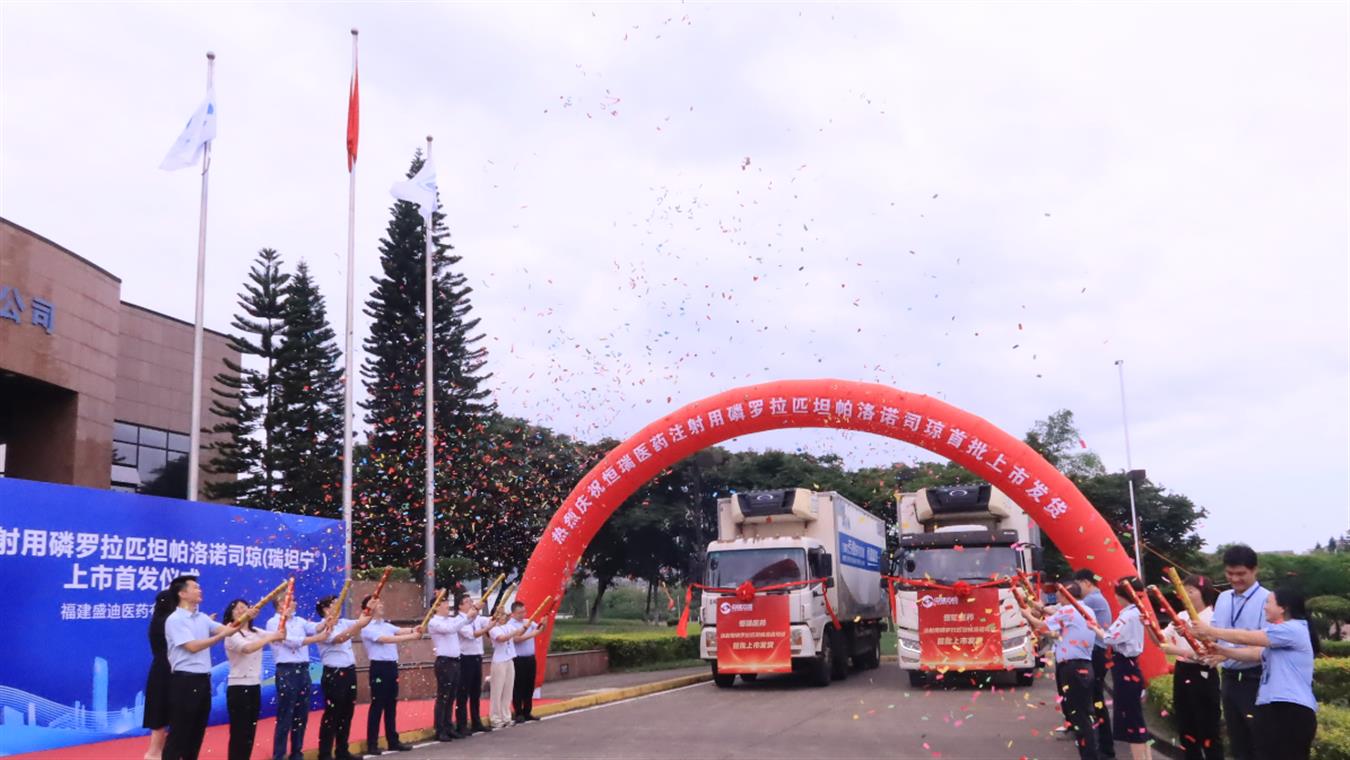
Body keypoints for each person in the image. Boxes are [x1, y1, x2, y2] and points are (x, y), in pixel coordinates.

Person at [1195, 586, 1320, 760]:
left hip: (1289, 710)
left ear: (1283, 608)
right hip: (1274, 707)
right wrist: (1222, 651)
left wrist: (1211, 631)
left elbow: (1246, 637)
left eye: (1268, 603)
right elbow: (1255, 654)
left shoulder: (1292, 629)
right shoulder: (1281, 636)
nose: (1265, 607)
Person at [1020, 579, 1101, 760]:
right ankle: (1090, 754)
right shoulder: (1087, 610)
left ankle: (1090, 756)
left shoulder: (1068, 610)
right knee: (1085, 714)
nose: (1057, 597)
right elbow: (1058, 629)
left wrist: (1027, 615)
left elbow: (1042, 626)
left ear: (1066, 594)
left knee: (1080, 717)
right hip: (1085, 666)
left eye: (1059, 594)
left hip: (1072, 668)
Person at [163, 575, 239, 760]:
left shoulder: (202, 618)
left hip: (203, 680)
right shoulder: (175, 619)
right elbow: (192, 646)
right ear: (182, 594)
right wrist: (220, 636)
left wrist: (245, 617)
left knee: (197, 731)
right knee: (180, 732)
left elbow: (226, 629)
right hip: (185, 681)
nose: (200, 590)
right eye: (195, 587)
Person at [1209, 544, 1270, 760]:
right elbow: (1214, 634)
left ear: (1255, 570)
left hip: (1255, 679)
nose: (1235, 579)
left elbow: (1264, 647)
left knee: (1259, 741)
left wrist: (1226, 652)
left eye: (1241, 574)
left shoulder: (1268, 600)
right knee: (1237, 742)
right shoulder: (1224, 597)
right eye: (1230, 573)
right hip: (1229, 678)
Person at [1158, 575, 1223, 760]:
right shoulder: (1181, 616)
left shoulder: (1214, 618)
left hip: (1203, 674)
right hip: (1182, 670)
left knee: (1208, 729)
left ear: (1204, 593)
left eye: (1190, 591)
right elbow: (1161, 640)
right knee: (1186, 726)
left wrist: (1183, 643)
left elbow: (1208, 652)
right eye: (1183, 591)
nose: (1185, 595)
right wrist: (1147, 623)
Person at [266, 595, 330, 760]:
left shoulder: (300, 621)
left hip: (303, 670)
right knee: (285, 714)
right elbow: (290, 642)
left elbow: (316, 627)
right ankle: (279, 754)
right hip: (286, 671)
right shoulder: (273, 623)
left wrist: (328, 618)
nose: (295, 602)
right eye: (291, 599)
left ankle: (296, 753)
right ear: (281, 603)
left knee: (301, 715)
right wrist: (316, 639)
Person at [360, 595, 424, 754]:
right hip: (378, 668)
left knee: (391, 705)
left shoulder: (386, 624)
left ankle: (393, 741)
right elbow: (386, 639)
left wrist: (415, 629)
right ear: (369, 607)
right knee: (377, 706)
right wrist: (411, 636)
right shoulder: (367, 627)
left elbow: (399, 630)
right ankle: (372, 744)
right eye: (377, 603)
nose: (381, 605)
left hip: (391, 667)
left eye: (381, 602)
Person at [223, 599, 285, 760]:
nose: (242, 610)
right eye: (237, 609)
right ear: (231, 614)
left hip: (254, 686)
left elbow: (279, 636)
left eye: (244, 607)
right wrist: (269, 638)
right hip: (238, 687)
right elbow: (247, 648)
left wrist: (284, 617)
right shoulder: (231, 632)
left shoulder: (256, 631)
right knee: (239, 731)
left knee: (250, 731)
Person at [314, 595, 373, 760]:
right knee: (332, 714)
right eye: (334, 604)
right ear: (325, 609)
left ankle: (342, 751)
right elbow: (340, 638)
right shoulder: (323, 627)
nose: (338, 607)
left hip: (349, 672)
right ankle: (324, 753)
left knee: (347, 713)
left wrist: (370, 606)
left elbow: (362, 621)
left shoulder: (344, 622)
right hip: (334, 674)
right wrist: (359, 624)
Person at [1103, 577, 1151, 760]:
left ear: (1121, 595)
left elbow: (1109, 637)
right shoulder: (1136, 612)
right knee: (1136, 717)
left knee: (1132, 720)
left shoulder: (1128, 615)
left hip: (1125, 666)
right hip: (1129, 665)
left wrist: (1095, 628)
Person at [1074, 569, 1116, 759]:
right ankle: (1102, 744)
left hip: (1097, 653)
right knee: (1094, 698)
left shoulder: (1092, 600)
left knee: (1095, 699)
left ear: (1087, 582)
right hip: (1098, 653)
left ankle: (1104, 746)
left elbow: (1070, 608)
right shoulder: (1095, 599)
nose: (1077, 589)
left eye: (1078, 584)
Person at [427, 593, 476, 742]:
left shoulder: (450, 620)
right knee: (443, 697)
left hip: (455, 661)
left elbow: (465, 622)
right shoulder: (434, 622)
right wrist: (466, 617)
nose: (447, 605)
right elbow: (450, 629)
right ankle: (440, 729)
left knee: (451, 696)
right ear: (436, 607)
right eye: (444, 603)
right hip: (444, 662)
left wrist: (473, 612)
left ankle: (448, 727)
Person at [142, 589, 177, 760]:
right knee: (160, 714)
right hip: (165, 671)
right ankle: (154, 753)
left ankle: (158, 752)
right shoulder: (166, 622)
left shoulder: (158, 620)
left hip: (163, 669)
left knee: (162, 714)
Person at [456, 596, 494, 734]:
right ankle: (461, 724)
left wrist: (498, 613)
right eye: (467, 602)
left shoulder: (477, 618)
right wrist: (487, 628)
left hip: (477, 657)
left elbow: (491, 620)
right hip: (465, 658)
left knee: (475, 692)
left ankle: (476, 721)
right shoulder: (459, 621)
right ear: (460, 606)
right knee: (463, 693)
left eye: (471, 601)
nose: (471, 604)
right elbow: (472, 635)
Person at [511, 602, 546, 723]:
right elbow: (516, 639)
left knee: (529, 686)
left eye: (524, 612)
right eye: (519, 613)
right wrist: (532, 634)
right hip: (518, 659)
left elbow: (539, 629)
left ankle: (527, 711)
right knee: (518, 686)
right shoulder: (511, 624)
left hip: (530, 658)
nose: (522, 614)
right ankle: (518, 712)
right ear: (513, 613)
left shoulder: (528, 621)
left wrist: (543, 623)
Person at [488, 609, 522, 729]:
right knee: (497, 691)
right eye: (501, 614)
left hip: (509, 659)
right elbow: (501, 639)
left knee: (508, 690)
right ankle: (495, 718)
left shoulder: (508, 626)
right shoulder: (493, 629)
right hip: (499, 661)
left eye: (504, 614)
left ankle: (506, 716)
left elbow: (519, 633)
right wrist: (513, 633)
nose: (503, 616)